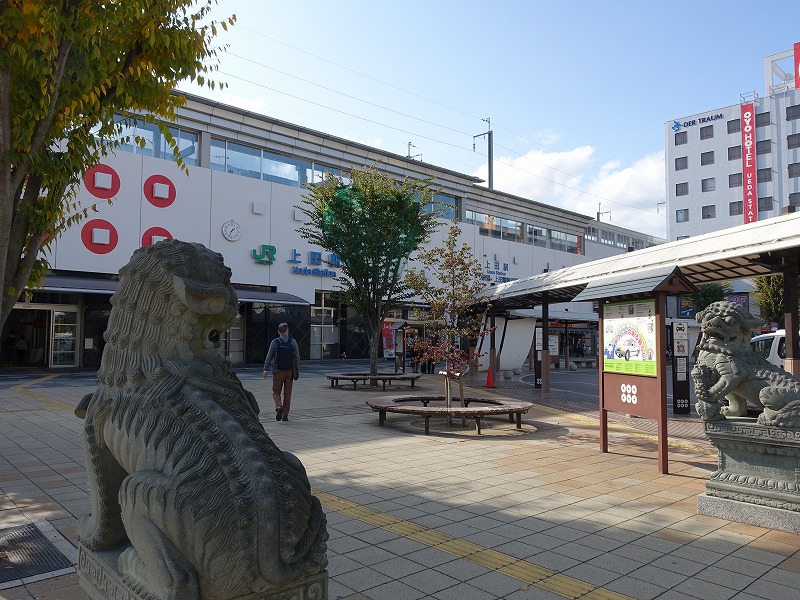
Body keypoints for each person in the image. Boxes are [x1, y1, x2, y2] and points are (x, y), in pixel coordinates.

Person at [262, 323, 300, 422]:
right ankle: (285, 415)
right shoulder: (293, 342)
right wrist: (296, 368)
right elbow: (297, 357)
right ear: (287, 331)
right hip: (289, 371)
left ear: (278, 331)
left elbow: (269, 357)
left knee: (276, 392)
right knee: (288, 394)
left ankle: (279, 406)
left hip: (278, 370)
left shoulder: (275, 342)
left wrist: (265, 369)